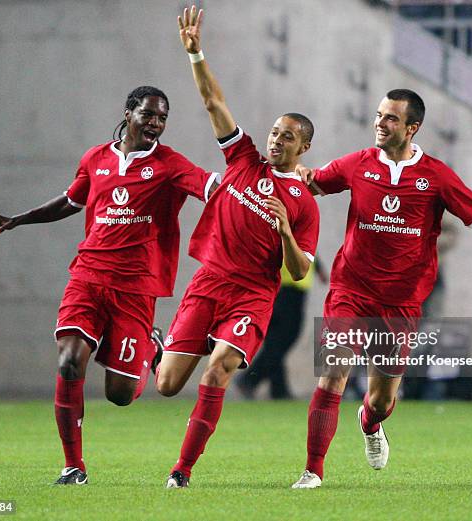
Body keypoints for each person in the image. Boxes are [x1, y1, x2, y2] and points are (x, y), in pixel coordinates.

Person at [0, 86, 219, 485]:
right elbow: (71, 201)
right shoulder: (95, 158)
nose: (155, 124)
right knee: (69, 359)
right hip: (87, 277)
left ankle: (151, 346)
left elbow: (213, 189)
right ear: (128, 113)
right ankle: (74, 466)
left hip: (135, 288)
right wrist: (19, 218)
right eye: (149, 115)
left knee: (120, 395)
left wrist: (258, 191)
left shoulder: (170, 164)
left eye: (162, 118)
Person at [291, 89, 472, 488]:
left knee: (380, 400)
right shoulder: (357, 163)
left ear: (413, 128)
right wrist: (296, 175)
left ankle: (370, 422)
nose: (380, 123)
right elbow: (312, 183)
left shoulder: (435, 175)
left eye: (391, 118)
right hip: (351, 289)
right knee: (333, 371)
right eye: (379, 115)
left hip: (401, 301)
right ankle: (313, 470)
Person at [156, 6, 320, 488]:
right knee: (166, 386)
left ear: (302, 148)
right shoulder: (243, 158)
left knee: (219, 370)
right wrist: (196, 54)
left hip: (252, 296)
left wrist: (287, 230)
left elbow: (296, 270)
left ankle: (181, 471)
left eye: (286, 136)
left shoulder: (304, 204)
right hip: (208, 282)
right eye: (273, 131)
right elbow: (213, 101)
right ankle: (155, 344)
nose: (275, 139)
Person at [236, 259, 328, 400]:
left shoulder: (305, 239)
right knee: (279, 341)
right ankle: (254, 381)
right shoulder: (288, 236)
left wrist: (319, 269)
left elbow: (311, 251)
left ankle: (273, 387)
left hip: (295, 293)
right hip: (284, 291)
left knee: (277, 342)